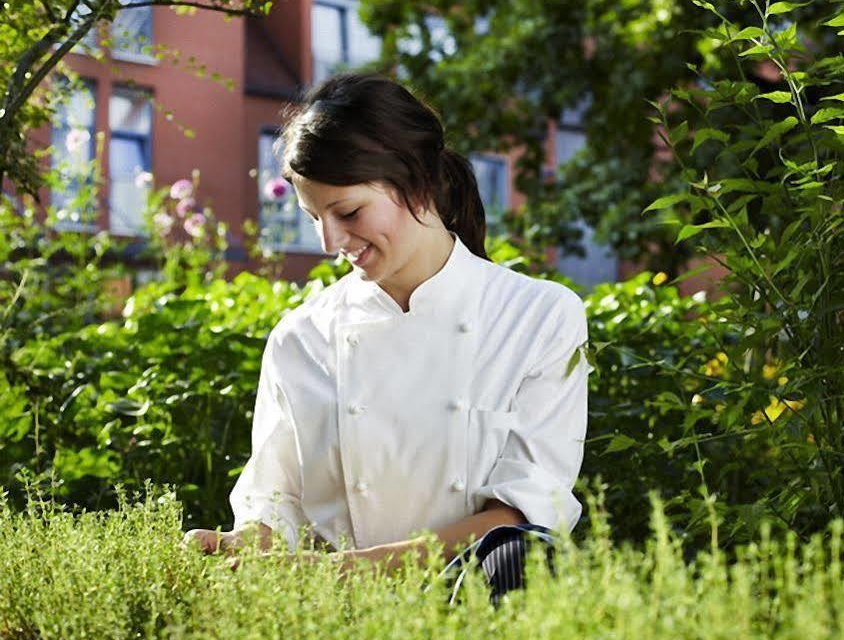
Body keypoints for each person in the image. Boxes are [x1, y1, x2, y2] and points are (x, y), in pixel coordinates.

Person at [182, 71, 592, 604]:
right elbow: (276, 502)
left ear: (417, 181)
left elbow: (523, 518)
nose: (331, 241)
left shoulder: (537, 317)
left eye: (348, 212)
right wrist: (245, 545)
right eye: (314, 217)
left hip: (476, 619)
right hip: (334, 620)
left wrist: (346, 572)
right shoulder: (300, 338)